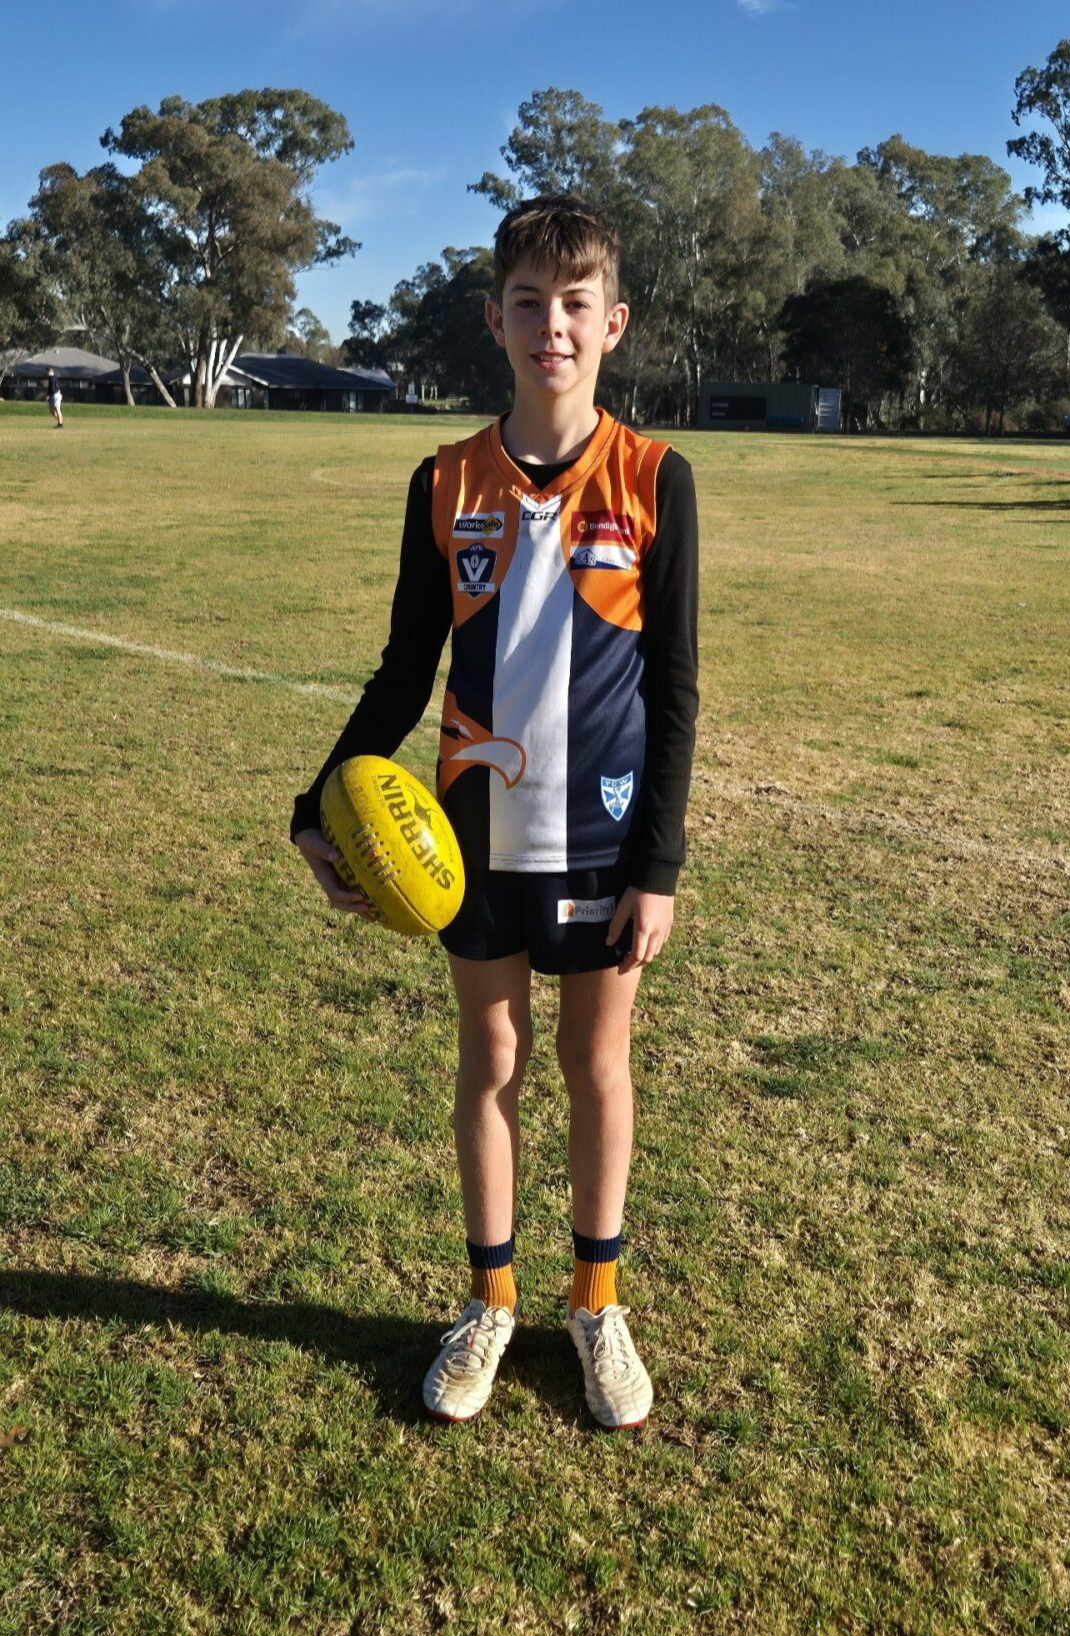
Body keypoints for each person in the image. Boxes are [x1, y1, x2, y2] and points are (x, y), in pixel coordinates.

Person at [291, 194, 698, 1430]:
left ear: (611, 323)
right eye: (529, 303)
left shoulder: (655, 479)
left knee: (594, 1063)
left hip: (602, 839)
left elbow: (675, 688)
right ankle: (489, 1301)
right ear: (494, 319)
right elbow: (402, 670)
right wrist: (313, 803)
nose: (550, 327)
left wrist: (659, 866)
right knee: (492, 1060)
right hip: (470, 844)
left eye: (575, 304)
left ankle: (596, 1303)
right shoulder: (444, 479)